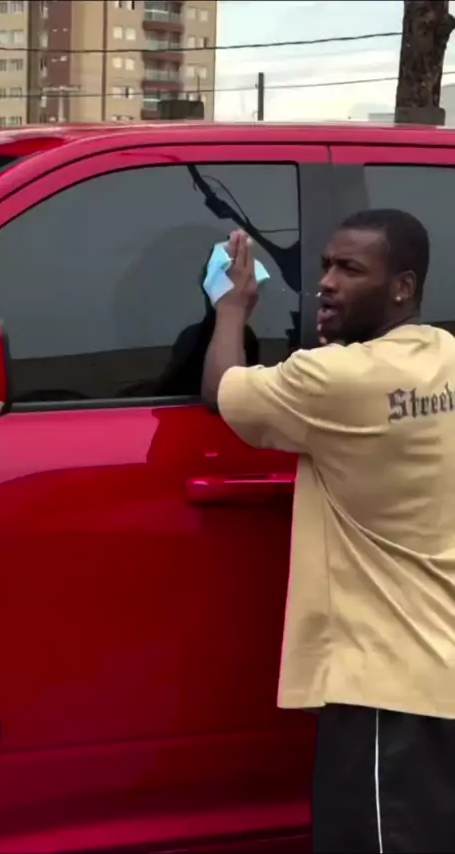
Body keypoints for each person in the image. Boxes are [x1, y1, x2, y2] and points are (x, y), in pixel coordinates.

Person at [202, 211, 455, 854]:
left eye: (349, 269)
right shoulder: (446, 356)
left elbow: (222, 388)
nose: (326, 283)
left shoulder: (335, 381)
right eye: (325, 267)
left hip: (389, 686)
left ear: (402, 286)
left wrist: (231, 309)